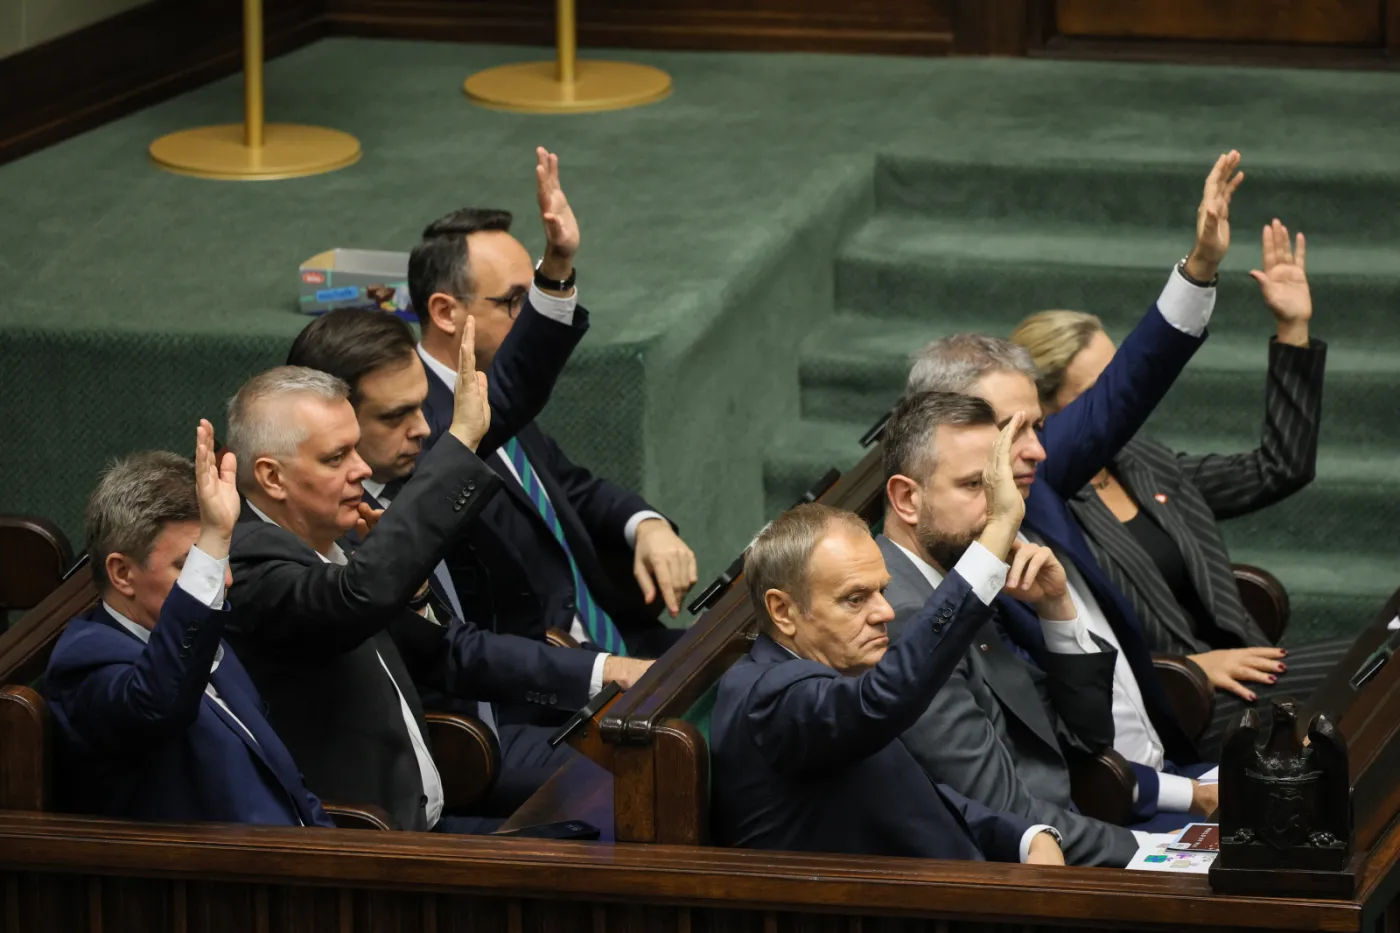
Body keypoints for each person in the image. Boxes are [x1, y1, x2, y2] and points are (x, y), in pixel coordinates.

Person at [904, 151, 1250, 829]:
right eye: (1016, 428)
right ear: (954, 436)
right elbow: (1063, 750)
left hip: (1173, 759)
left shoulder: (1032, 469)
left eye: (1037, 425)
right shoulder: (952, 569)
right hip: (1115, 812)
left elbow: (1126, 388)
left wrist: (1200, 267)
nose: (1040, 445)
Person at [222, 347, 645, 833]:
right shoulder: (249, 564)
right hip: (363, 853)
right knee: (607, 829)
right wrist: (460, 441)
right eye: (336, 457)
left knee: (624, 804)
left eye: (356, 449)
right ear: (271, 477)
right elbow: (355, 598)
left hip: (427, 818)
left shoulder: (337, 543)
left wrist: (607, 671)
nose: (360, 469)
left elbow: (447, 653)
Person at [1010, 218, 1344, 755]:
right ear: (1043, 410)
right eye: (1103, 390)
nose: (1124, 399)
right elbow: (1074, 645)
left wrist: (1292, 330)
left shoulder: (1140, 458)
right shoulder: (1041, 504)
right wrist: (1189, 668)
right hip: (1182, 704)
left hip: (1250, 673)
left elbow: (1277, 468)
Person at [711, 402, 1065, 864]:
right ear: (783, 611)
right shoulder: (771, 696)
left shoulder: (825, 674)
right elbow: (882, 701)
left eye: (882, 591)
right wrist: (998, 526)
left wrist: (1027, 836)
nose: (883, 613)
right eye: (855, 599)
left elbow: (910, 797)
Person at [411, 148, 694, 662]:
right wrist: (557, 268)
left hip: (625, 639)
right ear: (445, 312)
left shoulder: (485, 387)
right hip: (557, 681)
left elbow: (571, 488)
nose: (526, 315)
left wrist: (645, 523)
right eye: (514, 300)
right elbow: (522, 381)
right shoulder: (425, 426)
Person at [878, 391, 1140, 866]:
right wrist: (1151, 853)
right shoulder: (902, 614)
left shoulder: (961, 577)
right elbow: (1007, 813)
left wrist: (1057, 609)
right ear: (906, 499)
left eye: (1000, 488)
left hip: (1068, 834)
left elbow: (1083, 740)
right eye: (976, 485)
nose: (1005, 513)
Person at [45, 422, 333, 828]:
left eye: (219, 557)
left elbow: (287, 783)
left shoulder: (203, 636)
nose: (225, 579)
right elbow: (158, 704)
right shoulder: (86, 661)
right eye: (195, 562)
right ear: (123, 574)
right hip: (210, 884)